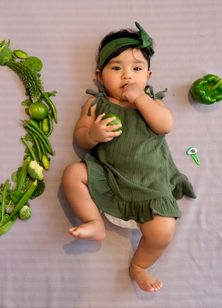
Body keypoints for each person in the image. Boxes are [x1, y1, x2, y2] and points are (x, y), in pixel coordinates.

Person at [61, 22, 196, 292]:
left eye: (136, 69)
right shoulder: (95, 103)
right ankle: (94, 222)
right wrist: (94, 135)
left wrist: (141, 100)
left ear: (148, 74)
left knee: (163, 232)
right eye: (116, 68)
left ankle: (140, 266)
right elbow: (80, 136)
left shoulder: (151, 101)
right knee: (72, 174)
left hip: (150, 184)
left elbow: (165, 125)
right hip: (109, 177)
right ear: (99, 76)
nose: (127, 76)